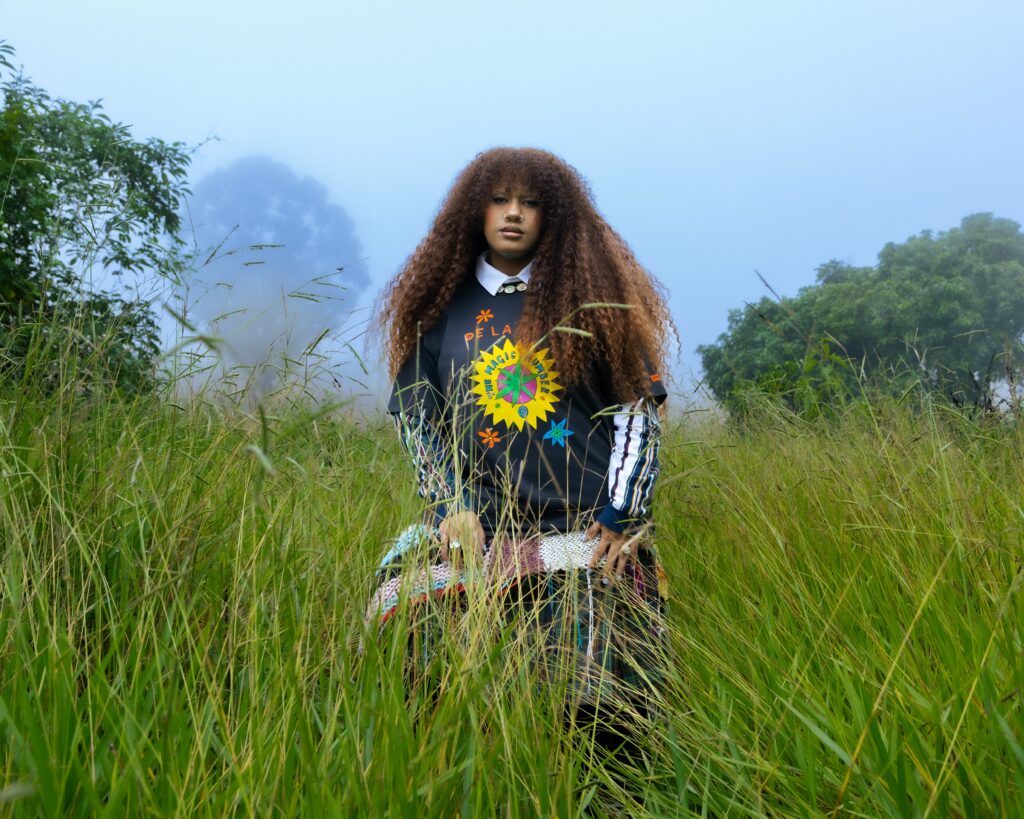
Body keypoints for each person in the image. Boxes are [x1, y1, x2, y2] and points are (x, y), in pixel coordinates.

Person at [370, 147, 675, 772]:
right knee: (422, 665)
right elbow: (417, 423)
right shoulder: (438, 314)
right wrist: (451, 507)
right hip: (473, 529)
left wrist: (622, 514)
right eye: (500, 200)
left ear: (554, 217)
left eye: (531, 203)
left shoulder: (598, 306)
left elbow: (637, 417)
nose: (514, 215)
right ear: (473, 211)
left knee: (599, 706)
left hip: (585, 527)